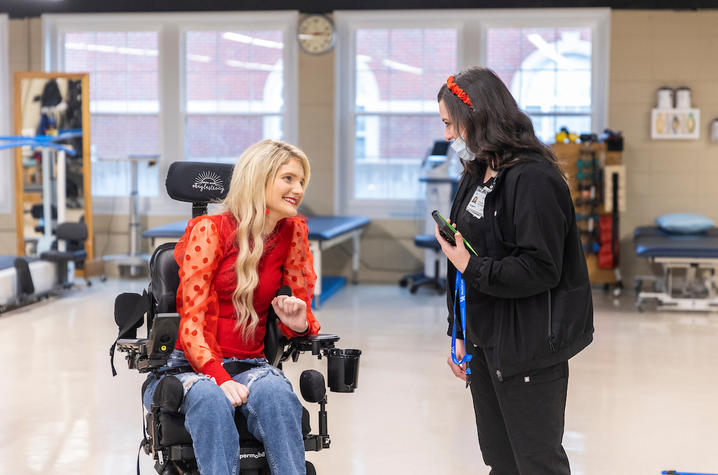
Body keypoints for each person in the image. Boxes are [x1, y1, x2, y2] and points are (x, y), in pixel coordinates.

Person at [435, 67, 594, 474]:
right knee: (501, 461)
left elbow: (541, 268)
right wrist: (460, 332)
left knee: (537, 463)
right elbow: (462, 257)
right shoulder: (475, 173)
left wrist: (471, 266)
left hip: (529, 347)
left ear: (479, 118)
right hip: (485, 341)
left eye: (451, 124)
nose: (449, 135)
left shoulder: (534, 179)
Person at [143, 139, 320, 475]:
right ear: (260, 179)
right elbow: (191, 323)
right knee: (210, 399)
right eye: (288, 179)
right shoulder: (209, 231)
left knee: (278, 397)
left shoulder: (291, 233)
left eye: (301, 181)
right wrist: (220, 378)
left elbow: (298, 313)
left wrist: (297, 323)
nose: (297, 189)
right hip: (186, 367)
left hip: (250, 362)